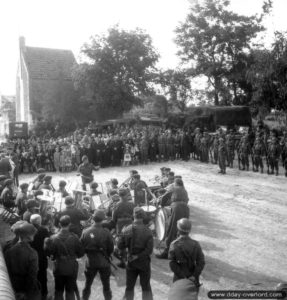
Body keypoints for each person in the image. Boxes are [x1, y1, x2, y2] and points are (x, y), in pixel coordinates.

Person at [44, 215, 85, 300]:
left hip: (58, 266)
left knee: (58, 290)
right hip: (72, 267)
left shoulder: (53, 238)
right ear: (69, 224)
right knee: (70, 290)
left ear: (59, 224)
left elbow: (49, 253)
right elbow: (81, 253)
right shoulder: (74, 237)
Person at [117, 207, 154, 300]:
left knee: (129, 286)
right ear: (143, 217)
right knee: (146, 286)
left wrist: (125, 256)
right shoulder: (148, 232)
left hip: (131, 262)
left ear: (134, 216)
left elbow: (120, 246)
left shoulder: (126, 229)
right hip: (144, 263)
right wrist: (137, 256)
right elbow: (149, 250)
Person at [80, 210, 114, 300]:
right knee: (106, 285)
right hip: (104, 261)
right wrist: (108, 254)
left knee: (87, 284)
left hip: (90, 261)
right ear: (103, 220)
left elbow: (81, 248)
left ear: (93, 219)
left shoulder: (85, 231)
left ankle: (84, 298)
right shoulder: (106, 232)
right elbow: (111, 248)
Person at [5, 221, 41, 300]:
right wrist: (27, 293)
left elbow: (8, 271)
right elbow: (32, 276)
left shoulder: (9, 251)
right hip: (27, 289)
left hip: (14, 286)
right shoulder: (32, 253)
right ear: (28, 236)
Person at [168, 218, 205, 289]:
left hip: (178, 279)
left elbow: (172, 264)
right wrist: (194, 276)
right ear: (189, 230)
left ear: (178, 230)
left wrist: (183, 277)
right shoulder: (196, 244)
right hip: (193, 279)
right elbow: (201, 262)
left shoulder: (174, 244)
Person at [156, 191, 190, 259]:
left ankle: (167, 253)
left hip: (177, 208)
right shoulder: (184, 190)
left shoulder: (174, 188)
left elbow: (164, 197)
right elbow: (187, 199)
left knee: (172, 231)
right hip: (186, 208)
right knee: (183, 230)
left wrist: (161, 205)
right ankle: (182, 251)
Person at [30, 214, 50, 300]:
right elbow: (47, 243)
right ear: (39, 221)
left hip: (30, 255)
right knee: (42, 276)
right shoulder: (43, 230)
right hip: (41, 256)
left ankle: (34, 293)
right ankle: (44, 294)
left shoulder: (28, 229)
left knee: (32, 275)